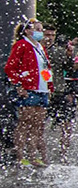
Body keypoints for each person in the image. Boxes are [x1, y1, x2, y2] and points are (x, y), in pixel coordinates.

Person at [5, 19, 51, 167]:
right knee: (25, 123)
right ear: (27, 31)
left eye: (41, 29)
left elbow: (45, 68)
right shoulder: (21, 45)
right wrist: (19, 85)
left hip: (41, 89)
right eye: (37, 29)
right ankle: (20, 156)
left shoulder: (40, 48)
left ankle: (32, 156)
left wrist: (49, 85)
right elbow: (10, 68)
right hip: (28, 89)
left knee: (37, 124)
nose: (40, 32)